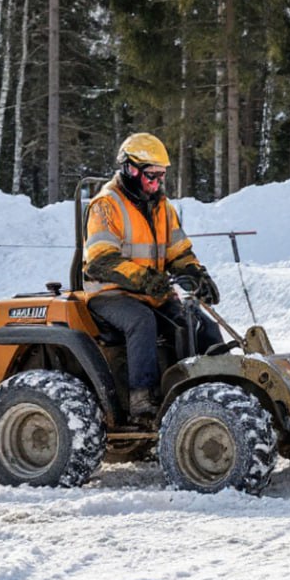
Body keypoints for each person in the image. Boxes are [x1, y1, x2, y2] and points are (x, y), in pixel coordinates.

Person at [83, 132, 224, 423]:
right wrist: (146, 279)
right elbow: (101, 260)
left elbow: (179, 252)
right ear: (130, 169)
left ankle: (215, 386)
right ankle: (142, 401)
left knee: (196, 320)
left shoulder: (163, 208)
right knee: (141, 321)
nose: (156, 182)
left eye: (160, 176)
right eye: (150, 175)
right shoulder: (106, 205)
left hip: (151, 292)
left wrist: (197, 276)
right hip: (110, 295)